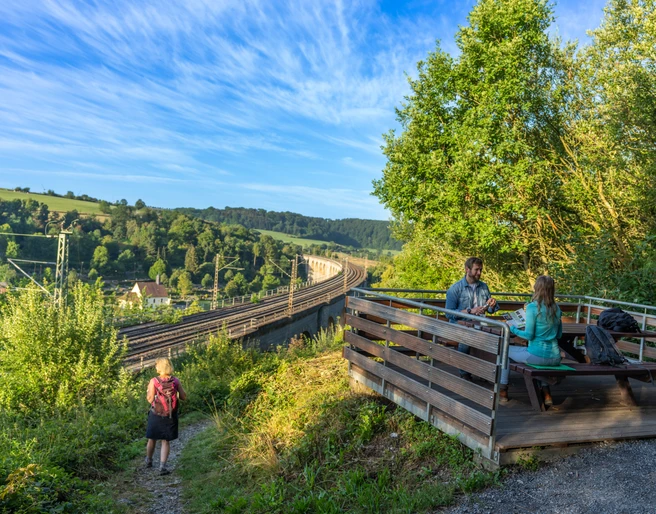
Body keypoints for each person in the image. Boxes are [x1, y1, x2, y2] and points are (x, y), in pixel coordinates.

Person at [500, 275, 562, 404]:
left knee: (503, 351)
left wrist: (512, 328)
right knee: (527, 355)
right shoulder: (557, 308)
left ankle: (503, 391)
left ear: (537, 289)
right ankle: (546, 394)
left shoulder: (533, 307)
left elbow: (529, 336)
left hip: (537, 355)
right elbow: (559, 334)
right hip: (555, 357)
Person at [445, 257, 499, 380]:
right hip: (459, 325)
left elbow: (490, 310)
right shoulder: (455, 289)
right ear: (467, 270)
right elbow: (449, 313)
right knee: (467, 337)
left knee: (496, 339)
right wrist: (470, 311)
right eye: (476, 270)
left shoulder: (484, 287)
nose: (479, 273)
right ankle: (464, 372)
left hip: (480, 323)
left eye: (481, 270)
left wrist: (492, 304)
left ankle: (488, 373)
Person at [145, 357, 187, 475]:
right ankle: (162, 466)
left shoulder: (154, 381)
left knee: (152, 438)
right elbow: (184, 397)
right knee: (165, 441)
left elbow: (149, 399)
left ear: (159, 367)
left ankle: (149, 460)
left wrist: (149, 392)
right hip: (170, 414)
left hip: (156, 414)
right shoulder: (175, 381)